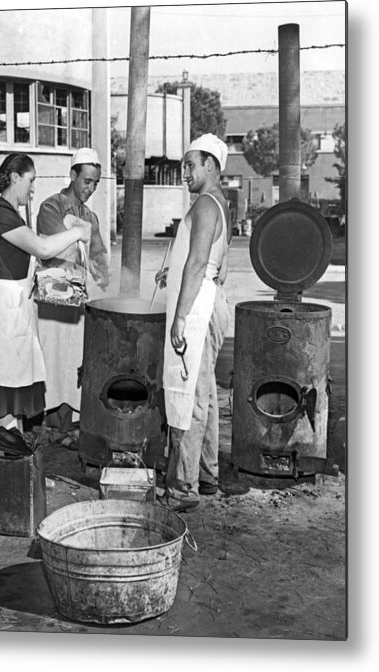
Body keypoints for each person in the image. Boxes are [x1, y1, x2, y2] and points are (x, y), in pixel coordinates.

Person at [0, 152, 91, 436]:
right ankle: (9, 440)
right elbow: (43, 248)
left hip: (16, 304)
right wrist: (78, 233)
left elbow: (42, 243)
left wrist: (69, 226)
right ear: (14, 177)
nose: (33, 188)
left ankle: (14, 444)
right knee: (2, 385)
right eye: (30, 180)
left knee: (14, 380)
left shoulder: (12, 215)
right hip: (4, 306)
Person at [157, 134, 231, 512]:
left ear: (212, 166)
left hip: (198, 306)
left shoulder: (205, 203)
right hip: (210, 298)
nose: (184, 172)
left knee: (189, 396)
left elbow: (199, 263)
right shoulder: (221, 203)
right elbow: (215, 264)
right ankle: (206, 474)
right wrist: (172, 274)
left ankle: (183, 488)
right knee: (205, 393)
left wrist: (181, 316)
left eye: (191, 165)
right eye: (184, 165)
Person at [36, 148, 109, 429]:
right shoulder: (50, 207)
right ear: (72, 175)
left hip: (77, 302)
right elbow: (57, 250)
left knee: (72, 363)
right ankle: (45, 421)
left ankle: (68, 422)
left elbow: (98, 257)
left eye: (95, 183)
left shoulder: (91, 217)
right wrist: (81, 259)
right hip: (52, 299)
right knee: (51, 359)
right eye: (86, 181)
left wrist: (102, 276)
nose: (90, 188)